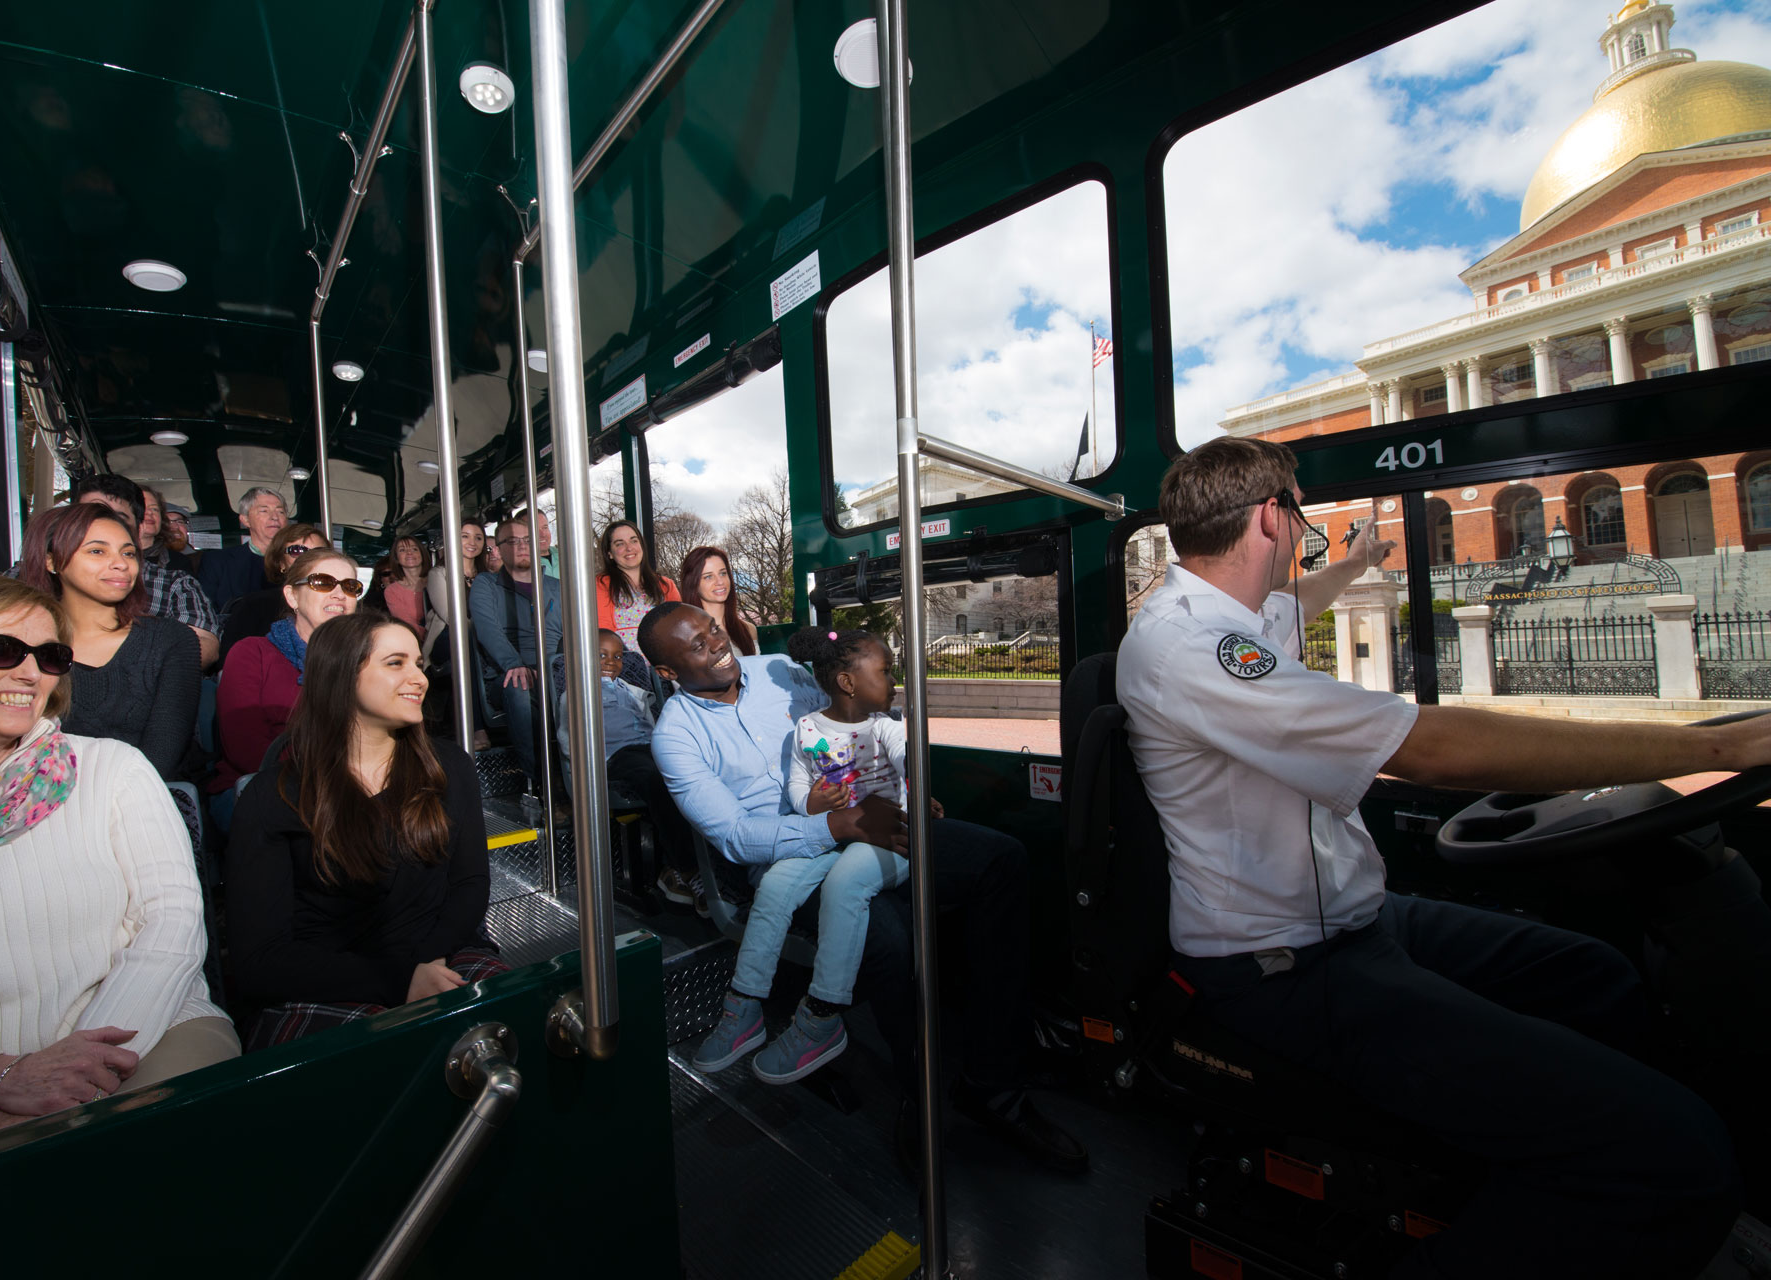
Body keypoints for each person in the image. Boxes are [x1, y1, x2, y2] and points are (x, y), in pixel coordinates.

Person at [1119, 436, 1765, 1279]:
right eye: (1302, 519)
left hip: (1358, 921)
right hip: (1279, 964)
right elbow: (1431, 751)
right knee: (1676, 1155)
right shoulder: (1189, 645)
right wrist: (1722, 746)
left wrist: (1354, 563)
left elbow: (1294, 602)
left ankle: (1532, 1179)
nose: (1303, 539)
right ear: (1274, 518)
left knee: (1593, 977)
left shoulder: (1236, 615)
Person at [642, 601, 1086, 1172]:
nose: (717, 643)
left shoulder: (781, 672)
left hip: (867, 819)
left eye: (712, 629)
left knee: (1000, 860)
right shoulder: (675, 737)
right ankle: (919, 1094)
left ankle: (993, 1081)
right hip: (789, 858)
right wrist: (836, 825)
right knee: (888, 935)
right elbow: (733, 836)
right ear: (667, 672)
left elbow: (851, 732)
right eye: (698, 645)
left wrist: (897, 789)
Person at [0, 573, 235, 1172]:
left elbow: (171, 928)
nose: (31, 673)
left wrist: (76, 1076)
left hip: (135, 1035)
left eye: (51, 656)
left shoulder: (111, 770)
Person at [225, 611, 498, 1051]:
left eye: (418, 664)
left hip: (441, 955)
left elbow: (469, 883)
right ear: (341, 675)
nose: (419, 678)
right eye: (395, 663)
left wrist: (424, 966)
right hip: (328, 981)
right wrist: (398, 979)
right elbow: (260, 958)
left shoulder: (449, 766)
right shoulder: (274, 796)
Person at [694, 625, 914, 1084]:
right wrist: (812, 803)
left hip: (882, 837)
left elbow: (906, 760)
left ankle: (822, 1013)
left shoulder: (886, 728)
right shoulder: (808, 729)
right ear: (848, 683)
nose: (894, 680)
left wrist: (916, 791)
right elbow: (798, 784)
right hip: (831, 833)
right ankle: (744, 1002)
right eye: (886, 671)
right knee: (774, 886)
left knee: (845, 885)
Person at [18, 503, 200, 782]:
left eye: (128, 553)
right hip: (36, 793)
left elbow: (161, 758)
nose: (121, 564)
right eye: (97, 551)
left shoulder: (170, 640)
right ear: (51, 561)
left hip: (141, 795)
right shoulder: (19, 647)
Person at [555, 629, 701, 911]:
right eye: (601, 655)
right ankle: (688, 870)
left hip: (649, 748)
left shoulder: (632, 691)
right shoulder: (576, 693)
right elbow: (568, 738)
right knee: (656, 779)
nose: (611, 662)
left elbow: (651, 725)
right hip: (616, 756)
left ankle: (689, 865)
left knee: (691, 771)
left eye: (618, 656)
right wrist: (584, 767)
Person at [213, 549, 360, 798]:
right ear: (292, 596)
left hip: (353, 788)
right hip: (268, 786)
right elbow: (245, 746)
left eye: (350, 586)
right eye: (322, 582)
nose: (339, 593)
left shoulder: (368, 659)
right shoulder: (252, 653)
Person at [74, 474, 219, 670]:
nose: (105, 523)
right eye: (93, 514)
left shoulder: (174, 583)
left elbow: (204, 644)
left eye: (119, 517)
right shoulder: (46, 574)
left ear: (137, 525)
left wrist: (137, 667)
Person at [469, 516, 563, 789]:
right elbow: (487, 630)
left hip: (554, 668)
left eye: (527, 540)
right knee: (520, 686)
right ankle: (540, 783)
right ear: (498, 549)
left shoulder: (557, 588)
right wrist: (514, 664)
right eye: (512, 541)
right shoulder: (486, 585)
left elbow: (572, 635)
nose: (522, 546)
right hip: (507, 673)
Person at [425, 520, 497, 749]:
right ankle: (476, 729)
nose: (472, 542)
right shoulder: (439, 574)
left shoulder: (489, 577)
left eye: (478, 537)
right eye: (465, 536)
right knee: (467, 643)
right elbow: (451, 616)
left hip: (480, 639)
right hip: (448, 639)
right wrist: (485, 633)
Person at [217, 522, 330, 662]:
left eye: (318, 552)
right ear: (281, 563)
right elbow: (231, 661)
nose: (309, 558)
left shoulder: (344, 602)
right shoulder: (254, 606)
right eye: (297, 551)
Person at [197, 486, 289, 615]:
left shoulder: (297, 560)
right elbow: (205, 612)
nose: (274, 517)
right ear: (245, 520)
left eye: (280, 512)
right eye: (264, 511)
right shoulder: (217, 561)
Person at [595, 520, 679, 654]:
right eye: (620, 544)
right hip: (623, 661)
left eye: (634, 541)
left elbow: (678, 627)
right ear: (609, 553)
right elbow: (604, 631)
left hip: (664, 660)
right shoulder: (601, 584)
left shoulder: (666, 585)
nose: (629, 548)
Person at [677, 544, 758, 656]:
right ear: (693, 584)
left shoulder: (748, 630)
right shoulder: (686, 635)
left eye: (723, 573)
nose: (720, 582)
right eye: (708, 576)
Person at [364, 535, 430, 641]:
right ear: (396, 558)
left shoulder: (437, 580)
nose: (409, 552)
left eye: (414, 549)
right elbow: (406, 624)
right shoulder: (392, 591)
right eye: (402, 550)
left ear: (422, 554)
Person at [138, 486, 194, 575]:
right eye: (143, 507)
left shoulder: (180, 563)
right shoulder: (118, 557)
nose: (150, 512)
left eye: (154, 509)